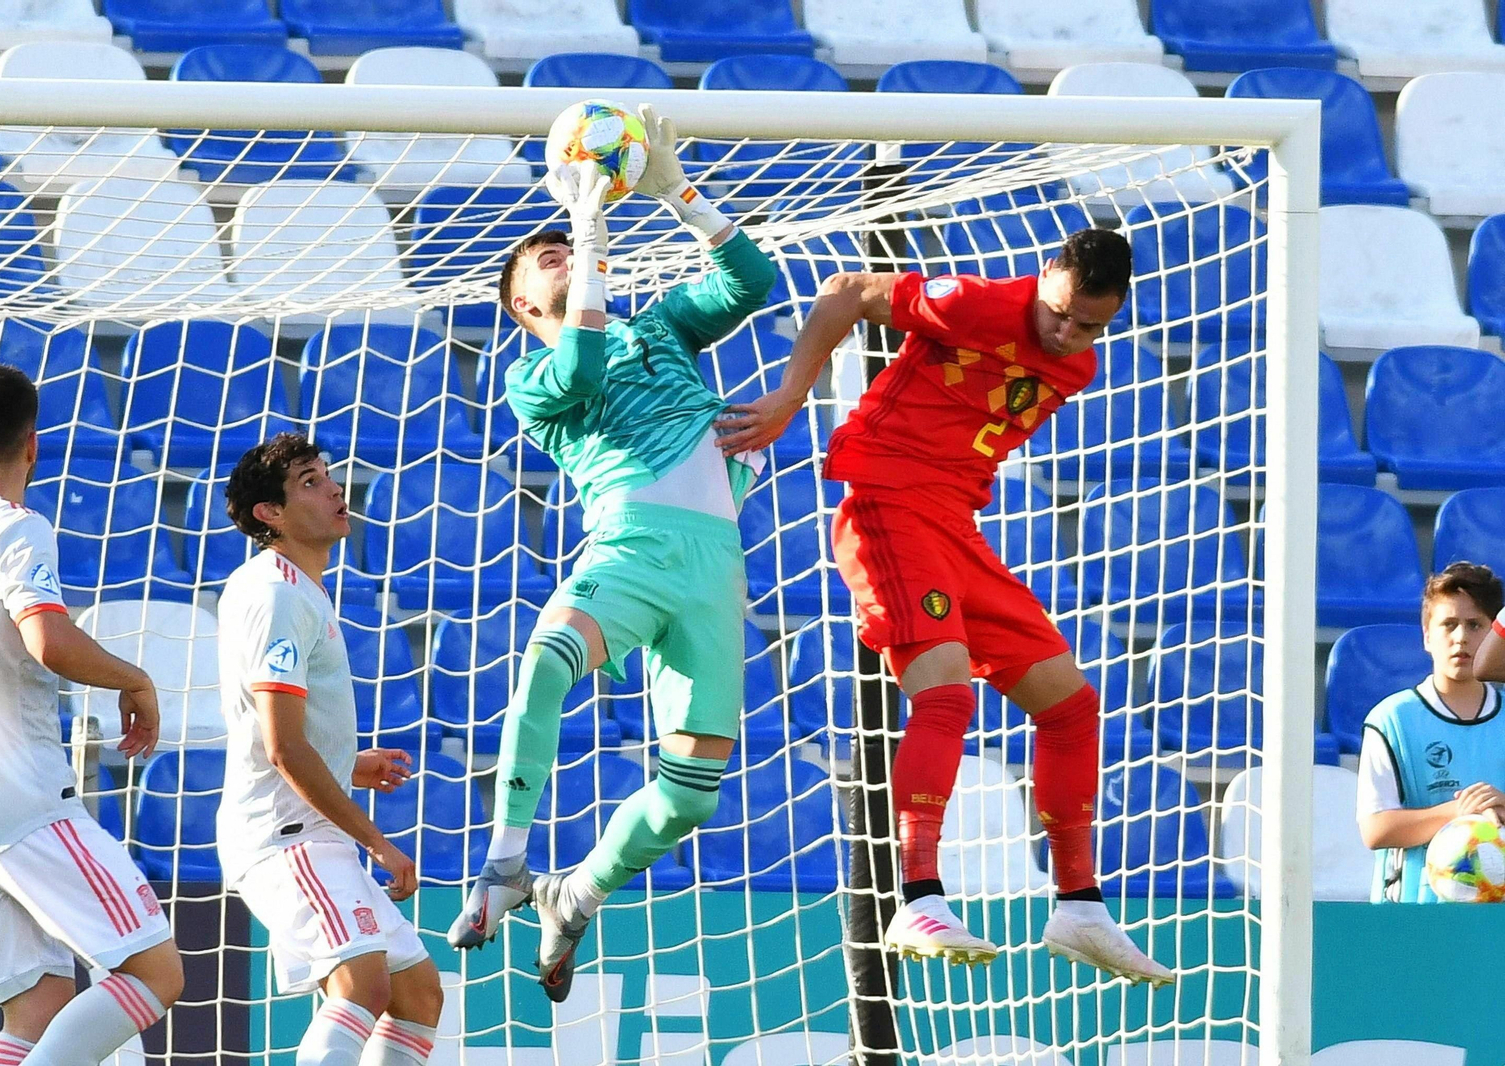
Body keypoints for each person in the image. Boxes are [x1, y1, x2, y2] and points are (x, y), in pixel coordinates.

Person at [715, 229, 1173, 984]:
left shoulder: (1078, 366)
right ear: (1045, 273)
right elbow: (844, 291)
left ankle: (1079, 906)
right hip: (888, 509)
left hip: (956, 529)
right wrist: (792, 397)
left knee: (1071, 707)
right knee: (947, 694)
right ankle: (918, 898)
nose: (1069, 333)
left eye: (1090, 325)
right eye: (1062, 313)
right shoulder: (969, 303)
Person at [445, 105, 776, 1003]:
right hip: (631, 545)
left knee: (692, 795)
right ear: (522, 305)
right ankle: (506, 864)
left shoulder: (661, 328)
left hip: (714, 566)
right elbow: (584, 364)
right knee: (546, 664)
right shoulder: (528, 379)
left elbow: (754, 281)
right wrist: (591, 236)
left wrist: (678, 193)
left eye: (569, 244)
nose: (563, 250)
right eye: (545, 256)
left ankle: (576, 894)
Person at [0, 364, 184, 1065]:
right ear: (33, 445)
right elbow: (48, 640)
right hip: (25, 806)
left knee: (37, 1014)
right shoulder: (17, 528)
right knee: (156, 973)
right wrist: (135, 679)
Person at [217, 433, 444, 1065]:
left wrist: (347, 763)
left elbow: (286, 734)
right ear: (271, 513)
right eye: (310, 482)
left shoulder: (297, 588)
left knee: (418, 995)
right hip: (285, 835)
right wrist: (377, 842)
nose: (335, 488)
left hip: (309, 832)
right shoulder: (276, 594)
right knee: (362, 985)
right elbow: (283, 747)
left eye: (328, 475)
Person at [1359, 562, 1505, 902]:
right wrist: (1459, 813)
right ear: (1427, 636)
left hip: (1496, 915)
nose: (1461, 637)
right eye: (1448, 624)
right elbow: (1375, 829)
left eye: (1474, 625)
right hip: (1413, 911)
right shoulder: (1392, 719)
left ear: (1494, 636)